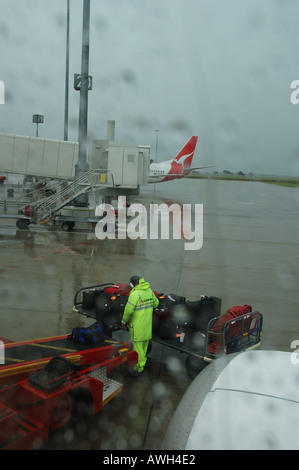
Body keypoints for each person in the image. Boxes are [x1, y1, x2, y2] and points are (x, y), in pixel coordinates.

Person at [121, 275, 159, 377]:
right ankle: (142, 363)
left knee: (138, 349)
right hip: (147, 326)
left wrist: (124, 321)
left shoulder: (134, 294)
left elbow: (128, 311)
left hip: (137, 327)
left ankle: (139, 368)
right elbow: (156, 303)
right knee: (143, 347)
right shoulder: (149, 291)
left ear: (132, 284)